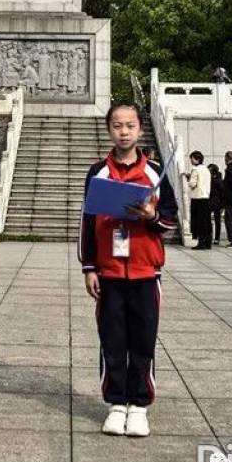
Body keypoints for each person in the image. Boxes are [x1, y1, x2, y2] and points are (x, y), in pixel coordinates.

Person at [79, 102, 178, 438]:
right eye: (117, 125)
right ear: (109, 129)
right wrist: (89, 267)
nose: (124, 131)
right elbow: (87, 222)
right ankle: (115, 404)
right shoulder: (97, 172)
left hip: (145, 270)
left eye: (130, 125)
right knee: (112, 338)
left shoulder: (154, 172)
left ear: (139, 130)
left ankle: (138, 405)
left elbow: (170, 217)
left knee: (143, 339)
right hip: (108, 271)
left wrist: (151, 217)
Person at [187, 151, 212, 249]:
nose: (191, 161)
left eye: (192, 158)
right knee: (206, 221)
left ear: (196, 159)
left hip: (197, 197)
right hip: (205, 197)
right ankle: (207, 242)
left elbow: (193, 184)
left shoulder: (195, 169)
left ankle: (200, 242)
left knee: (198, 221)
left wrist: (188, 179)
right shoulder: (206, 169)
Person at [208, 164, 224, 245]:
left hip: (217, 203)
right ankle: (210, 236)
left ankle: (217, 238)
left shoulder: (218, 180)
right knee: (208, 220)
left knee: (217, 221)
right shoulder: (209, 179)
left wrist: (222, 205)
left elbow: (222, 193)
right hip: (210, 201)